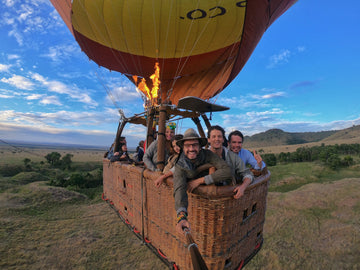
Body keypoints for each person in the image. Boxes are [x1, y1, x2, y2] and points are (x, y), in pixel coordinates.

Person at [173, 128, 232, 234]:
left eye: (195, 145)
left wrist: (201, 180)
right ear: (183, 147)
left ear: (200, 147)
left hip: (213, 200)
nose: (191, 149)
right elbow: (179, 189)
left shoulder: (208, 155)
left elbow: (227, 171)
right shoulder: (180, 165)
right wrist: (182, 216)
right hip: (198, 203)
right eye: (187, 146)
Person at [207, 126, 254, 198]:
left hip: (228, 196)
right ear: (209, 140)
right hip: (206, 197)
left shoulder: (233, 157)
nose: (217, 139)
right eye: (214, 136)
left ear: (223, 139)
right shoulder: (202, 156)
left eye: (219, 136)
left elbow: (247, 174)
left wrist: (242, 187)